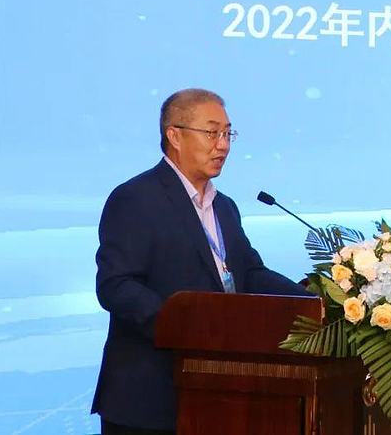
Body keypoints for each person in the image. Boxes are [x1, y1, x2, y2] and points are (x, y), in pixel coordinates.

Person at [91, 88, 311, 435]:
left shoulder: (224, 207)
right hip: (149, 400)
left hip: (217, 395)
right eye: (212, 133)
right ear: (174, 136)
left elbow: (251, 274)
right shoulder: (135, 198)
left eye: (228, 134)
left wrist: (314, 301)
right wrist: (185, 325)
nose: (223, 145)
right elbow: (116, 285)